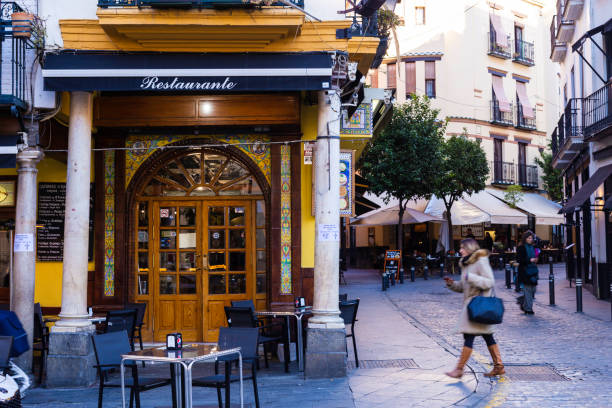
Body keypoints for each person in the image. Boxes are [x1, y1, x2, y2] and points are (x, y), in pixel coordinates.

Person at [443, 238, 505, 378]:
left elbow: (489, 282)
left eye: (462, 248)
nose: (460, 250)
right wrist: (452, 284)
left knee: (469, 337)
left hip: (478, 306)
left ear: (470, 248)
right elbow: (464, 288)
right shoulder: (466, 263)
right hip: (473, 307)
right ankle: (498, 367)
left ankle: (459, 369)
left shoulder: (480, 261)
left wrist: (470, 277)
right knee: (487, 337)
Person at [517, 230, 539, 315]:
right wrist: (529, 260)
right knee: (528, 289)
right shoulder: (521, 247)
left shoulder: (534, 247)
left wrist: (536, 259)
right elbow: (519, 260)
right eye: (529, 238)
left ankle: (523, 301)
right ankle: (529, 309)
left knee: (533, 290)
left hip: (533, 271)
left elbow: (536, 256)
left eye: (531, 238)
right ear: (525, 238)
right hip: (525, 271)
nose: (531, 239)